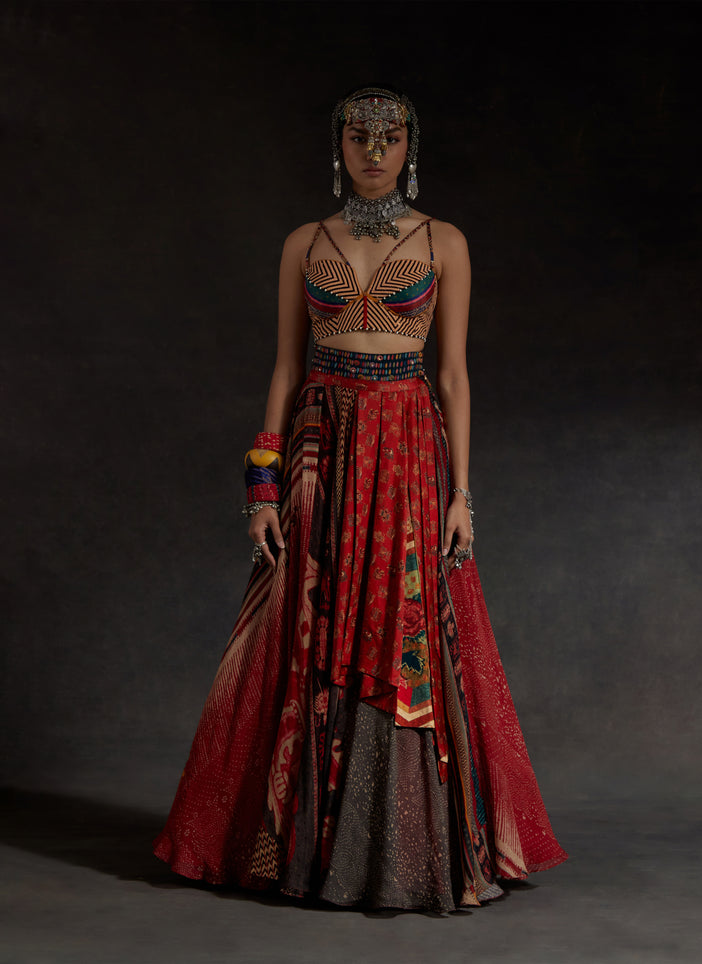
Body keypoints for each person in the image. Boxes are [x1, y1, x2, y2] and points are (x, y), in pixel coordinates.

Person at [153, 86, 568, 912]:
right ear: (337, 145)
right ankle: (304, 850)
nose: (373, 152)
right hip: (322, 444)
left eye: (389, 137)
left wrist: (462, 495)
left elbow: (454, 377)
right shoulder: (304, 243)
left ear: (410, 146)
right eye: (357, 136)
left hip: (407, 444)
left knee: (399, 621)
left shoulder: (444, 241)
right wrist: (261, 488)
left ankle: (405, 852)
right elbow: (285, 367)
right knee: (310, 622)